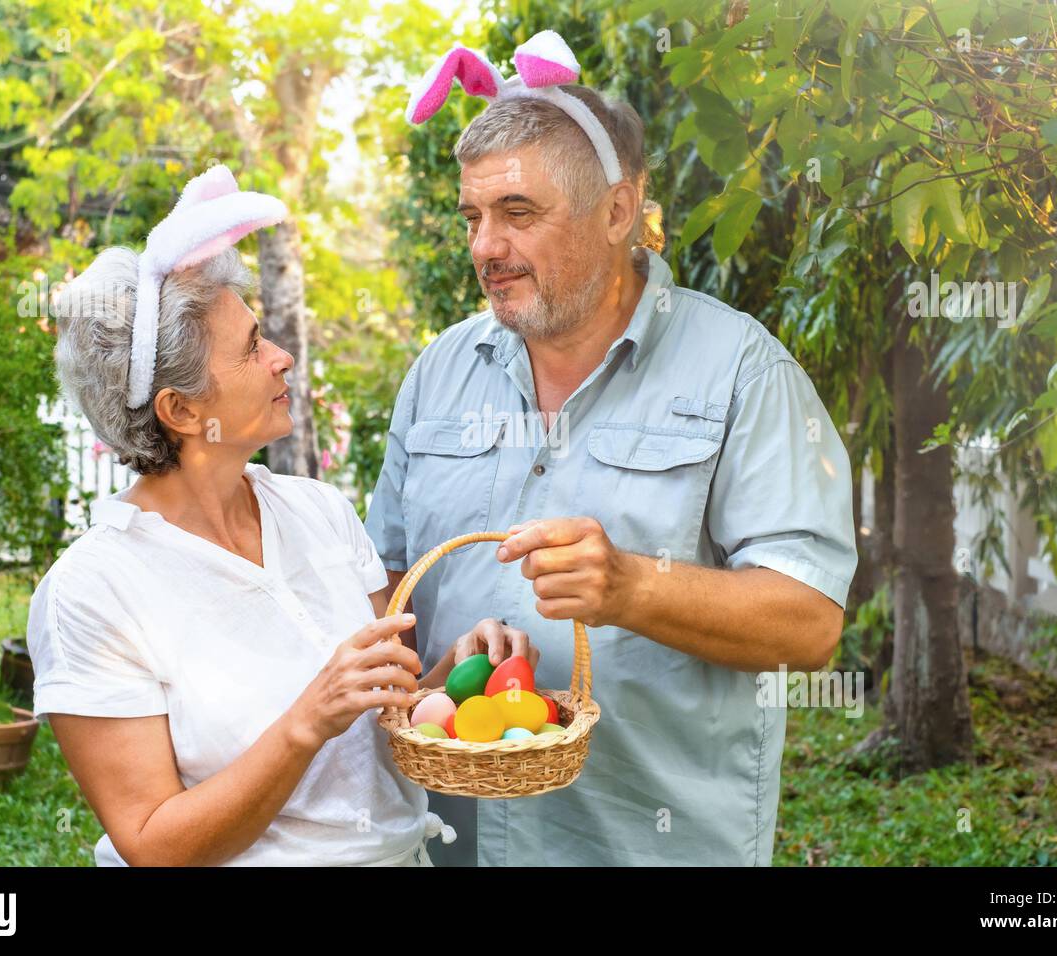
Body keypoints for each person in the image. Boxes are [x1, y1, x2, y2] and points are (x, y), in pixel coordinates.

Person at [366, 31, 858, 865]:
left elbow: (808, 623)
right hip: (450, 843)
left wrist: (631, 586)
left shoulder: (742, 371)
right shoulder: (439, 372)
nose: (485, 247)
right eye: (475, 217)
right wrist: (430, 670)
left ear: (619, 210)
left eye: (518, 213)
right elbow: (384, 586)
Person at [26, 165, 535, 866]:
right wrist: (304, 723)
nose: (282, 357)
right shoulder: (93, 590)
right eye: (251, 347)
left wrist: (453, 674)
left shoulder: (317, 513)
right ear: (181, 411)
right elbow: (152, 843)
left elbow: (392, 709)